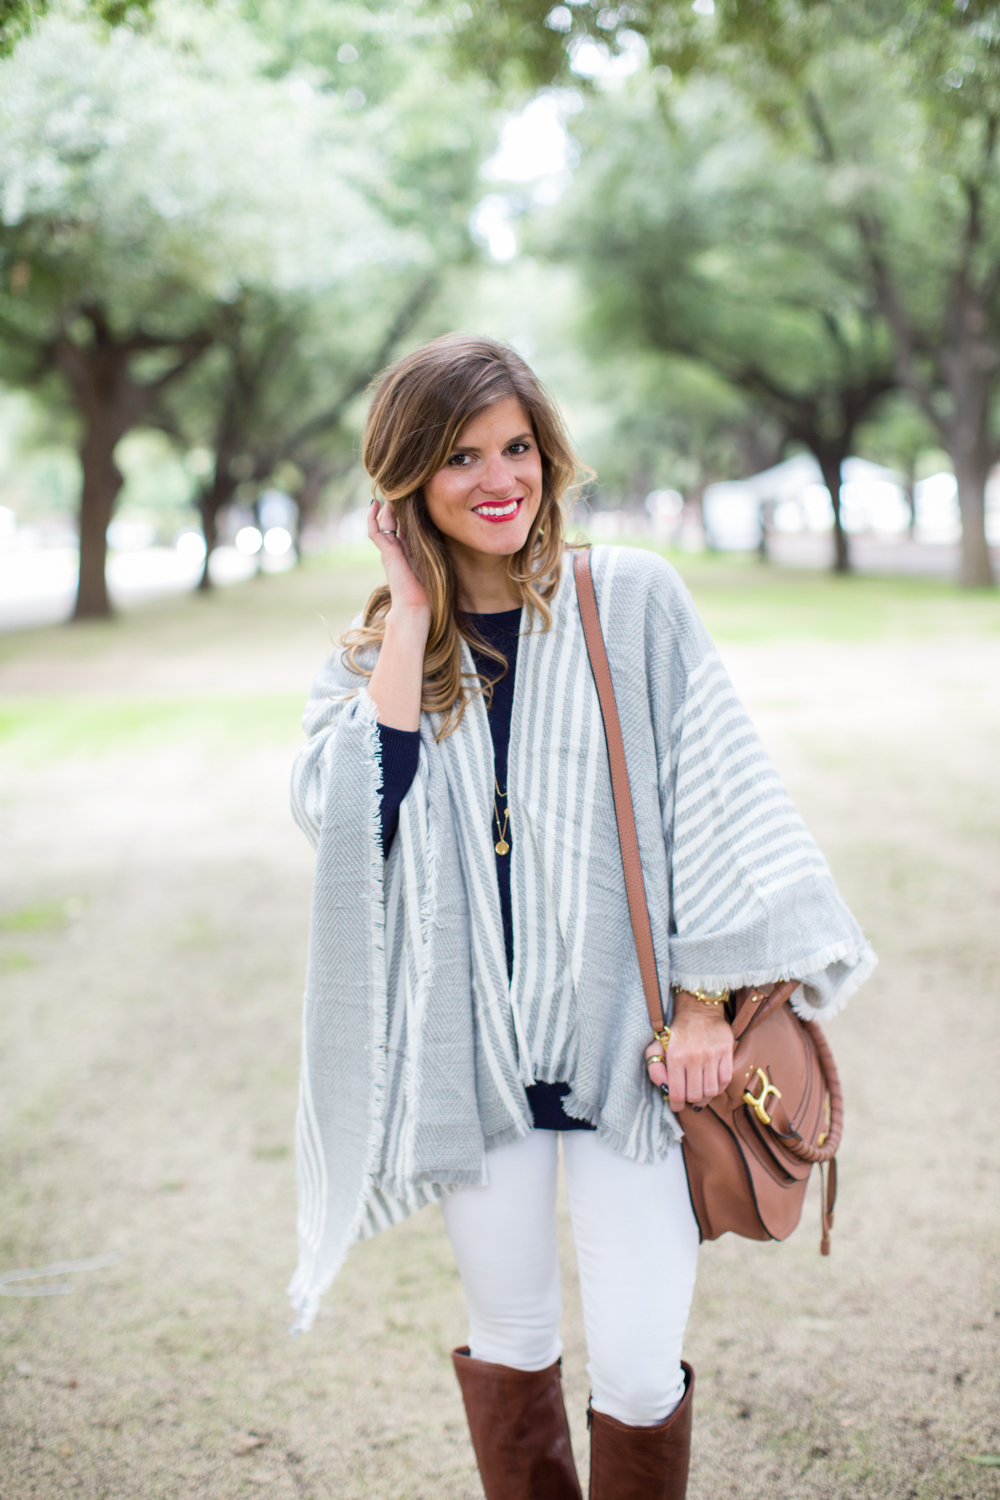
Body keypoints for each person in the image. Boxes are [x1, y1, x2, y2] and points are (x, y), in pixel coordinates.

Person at [288, 333, 875, 1500]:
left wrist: (709, 1002)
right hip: (479, 1063)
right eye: (458, 456)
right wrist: (410, 614)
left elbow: (715, 794)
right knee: (508, 1345)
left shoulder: (632, 599)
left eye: (516, 447)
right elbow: (352, 823)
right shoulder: (379, 654)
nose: (499, 478)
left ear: (549, 455)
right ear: (406, 481)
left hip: (632, 1061)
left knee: (640, 1369)